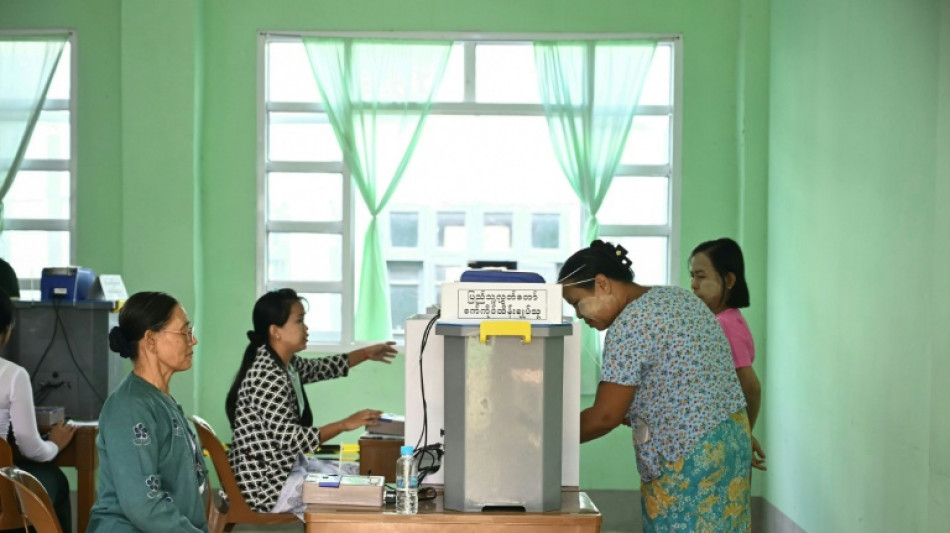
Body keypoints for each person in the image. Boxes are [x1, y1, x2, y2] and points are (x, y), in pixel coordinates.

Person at [559, 240, 751, 531]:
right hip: (732, 441)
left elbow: (605, 417)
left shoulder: (630, 324)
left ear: (601, 284)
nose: (577, 315)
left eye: (576, 302)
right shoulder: (678, 298)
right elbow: (686, 381)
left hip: (691, 460)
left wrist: (547, 439)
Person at [226, 288, 398, 516]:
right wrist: (345, 424)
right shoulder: (267, 376)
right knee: (357, 492)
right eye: (299, 321)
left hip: (283, 471)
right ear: (275, 331)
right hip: (268, 486)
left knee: (361, 475)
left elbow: (325, 367)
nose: (306, 328)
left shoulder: (285, 366)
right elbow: (293, 440)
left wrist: (366, 353)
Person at [87, 292, 208, 532]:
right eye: (184, 331)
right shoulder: (130, 407)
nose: (192, 340)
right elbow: (143, 505)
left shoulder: (157, 398)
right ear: (151, 340)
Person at [0, 290, 75, 532]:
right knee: (53, 480)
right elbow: (30, 447)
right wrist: (54, 444)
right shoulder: (12, 375)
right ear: (7, 330)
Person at [690, 237, 766, 471]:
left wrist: (744, 434)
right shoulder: (726, 319)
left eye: (701, 276)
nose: (693, 284)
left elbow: (751, 388)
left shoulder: (724, 325)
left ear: (729, 279)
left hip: (721, 442)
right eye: (692, 275)